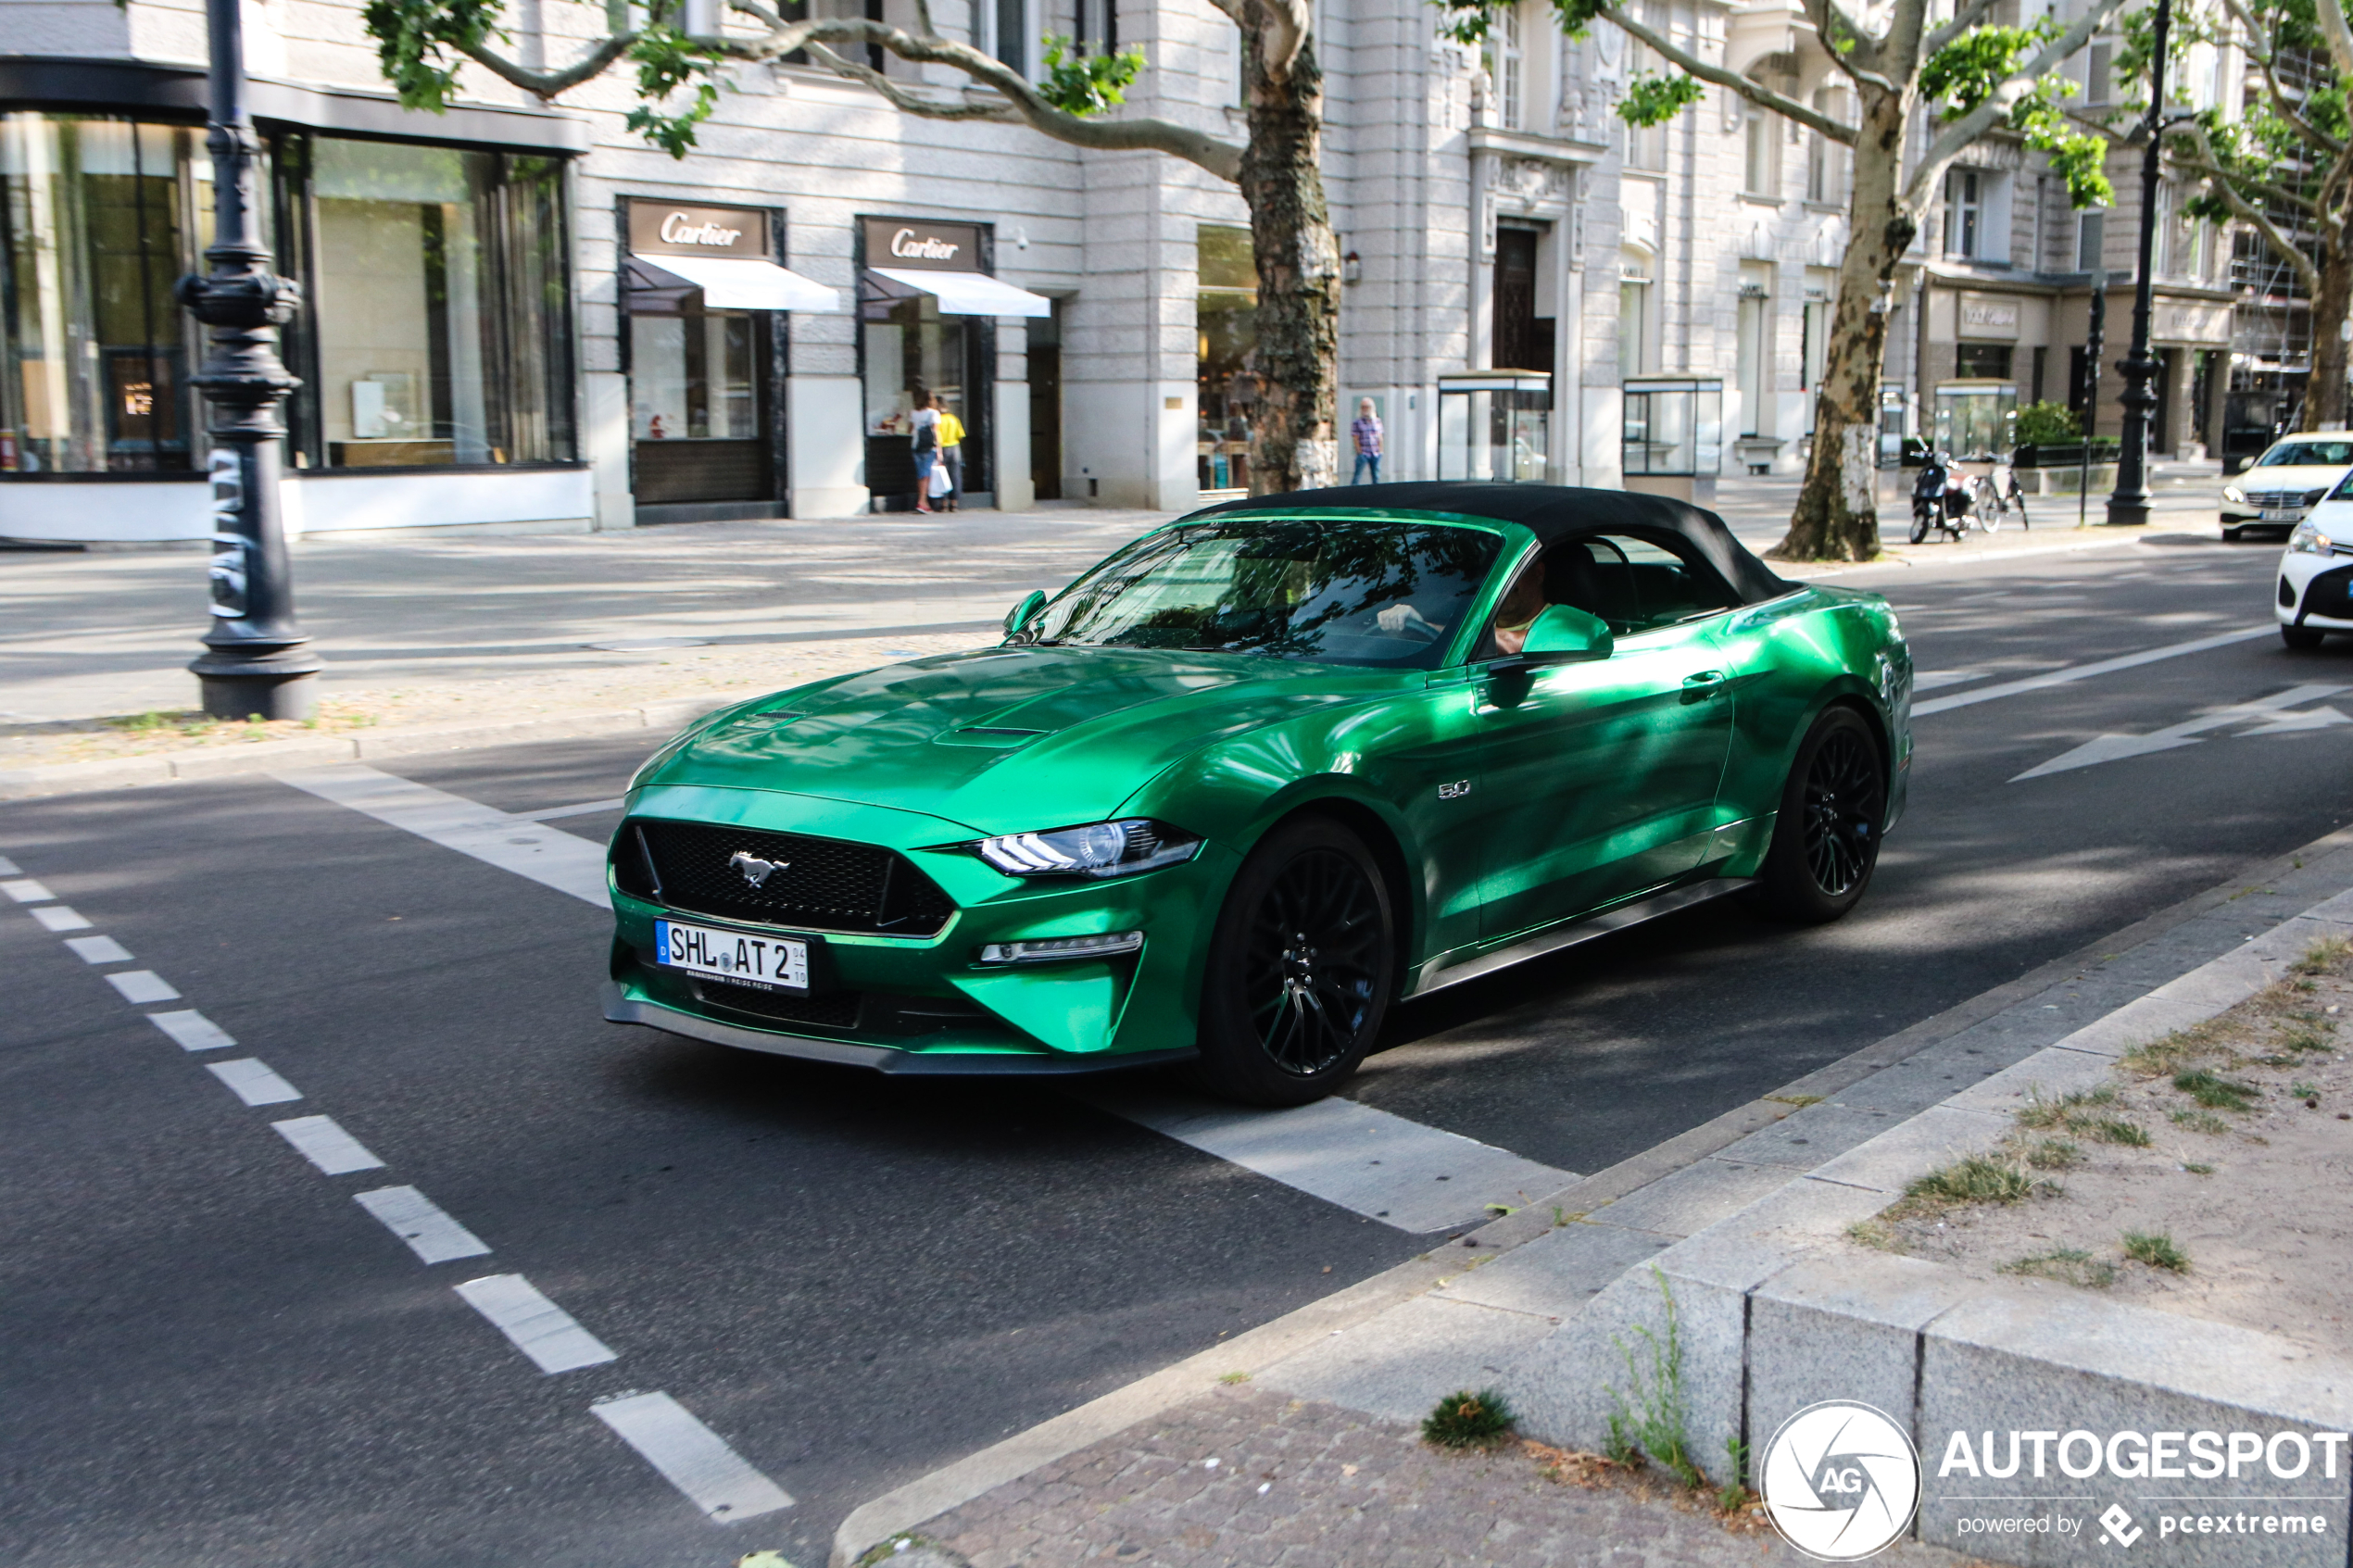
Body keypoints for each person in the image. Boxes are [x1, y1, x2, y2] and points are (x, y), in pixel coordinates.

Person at [908, 389, 940, 514]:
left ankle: (923, 501)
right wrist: (939, 449)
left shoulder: (913, 413)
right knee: (926, 474)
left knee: (920, 474)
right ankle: (922, 501)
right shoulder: (934, 413)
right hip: (928, 447)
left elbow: (909, 430)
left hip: (916, 445)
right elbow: (936, 432)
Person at [935, 405, 966, 512]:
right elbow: (961, 435)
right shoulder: (954, 419)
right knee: (955, 476)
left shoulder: (937, 420)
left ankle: (943, 504)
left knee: (942, 477)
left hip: (941, 448)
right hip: (955, 448)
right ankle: (954, 504)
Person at [1351, 397, 1383, 484]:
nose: (1365, 409)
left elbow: (1380, 436)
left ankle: (1376, 494)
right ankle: (1352, 494)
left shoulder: (1377, 421)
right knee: (1357, 476)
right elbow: (1355, 438)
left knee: (1376, 476)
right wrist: (1360, 452)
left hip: (1375, 453)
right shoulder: (1357, 422)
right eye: (1363, 407)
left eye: (1367, 407)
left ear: (1372, 408)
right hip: (1363, 453)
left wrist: (1380, 451)